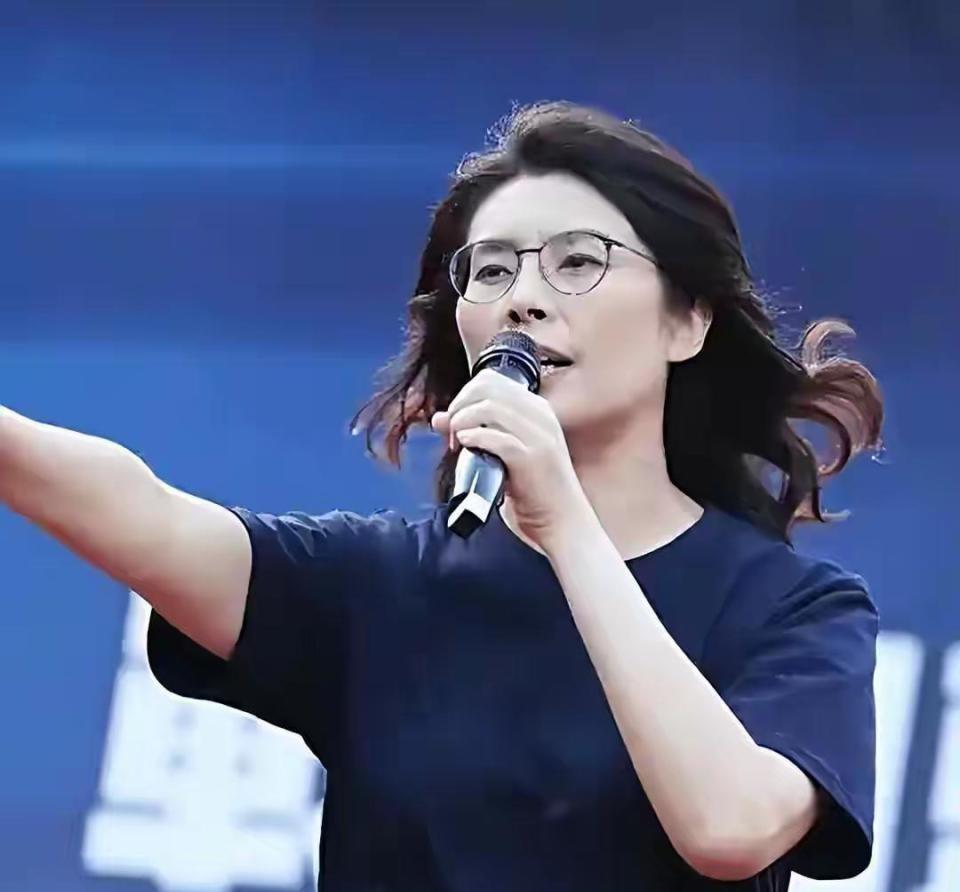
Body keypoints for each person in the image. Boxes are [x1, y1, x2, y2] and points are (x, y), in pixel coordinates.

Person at [0, 101, 884, 891]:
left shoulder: (790, 610)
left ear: (686, 320)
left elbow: (730, 830)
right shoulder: (378, 583)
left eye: (578, 262)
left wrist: (566, 525)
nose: (523, 300)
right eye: (491, 272)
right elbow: (142, 512)